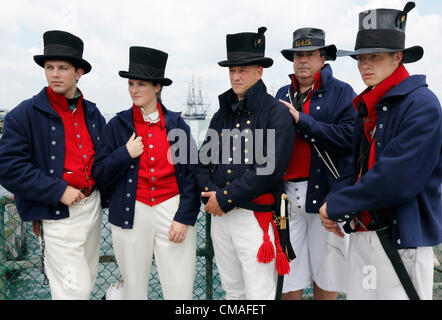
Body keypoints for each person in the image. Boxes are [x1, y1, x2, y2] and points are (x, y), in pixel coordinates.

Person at [319, 2, 442, 300]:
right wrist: (337, 199)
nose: (364, 65)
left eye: (374, 57)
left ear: (398, 57)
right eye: (360, 58)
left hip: (402, 241)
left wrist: (337, 206)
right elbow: (355, 167)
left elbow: (397, 179)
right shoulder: (371, 106)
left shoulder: (422, 105)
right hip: (364, 233)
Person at [0, 30, 106, 299]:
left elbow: (104, 159)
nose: (55, 74)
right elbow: (8, 167)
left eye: (63, 68)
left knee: (89, 277)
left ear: (79, 72)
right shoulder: (22, 115)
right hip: (56, 213)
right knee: (75, 291)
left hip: (92, 207)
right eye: (49, 67)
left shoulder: (93, 113)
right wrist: (58, 190)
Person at [92, 46, 200, 300]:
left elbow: (193, 174)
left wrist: (184, 217)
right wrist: (124, 154)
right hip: (132, 210)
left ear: (157, 87)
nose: (134, 90)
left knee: (180, 288)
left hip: (171, 209)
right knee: (133, 290)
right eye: (131, 83)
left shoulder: (177, 125)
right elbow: (100, 173)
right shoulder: (116, 126)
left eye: (141, 84)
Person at [195, 27, 295, 300]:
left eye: (243, 70)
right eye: (232, 71)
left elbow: (270, 169)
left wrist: (224, 197)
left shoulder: (277, 113)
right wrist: (209, 194)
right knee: (233, 292)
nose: (236, 76)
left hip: (254, 217)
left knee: (259, 292)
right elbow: (203, 160)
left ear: (259, 72)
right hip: (220, 215)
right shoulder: (221, 114)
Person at [275, 27, 356, 300]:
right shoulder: (281, 94)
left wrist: (301, 119)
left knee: (327, 275)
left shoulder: (343, 92)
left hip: (324, 194)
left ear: (323, 59)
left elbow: (349, 138)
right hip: (287, 196)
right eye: (298, 55)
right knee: (288, 276)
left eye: (309, 55)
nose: (302, 61)